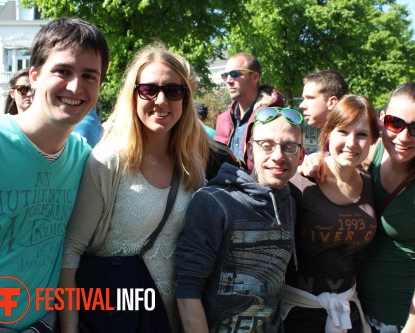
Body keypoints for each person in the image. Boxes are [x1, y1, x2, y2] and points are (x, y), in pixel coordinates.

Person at [59, 44, 219, 333]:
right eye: (148, 90)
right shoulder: (108, 161)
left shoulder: (192, 162)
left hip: (173, 319)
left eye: (173, 90)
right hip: (117, 318)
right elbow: (70, 251)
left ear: (185, 98)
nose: (161, 100)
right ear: (133, 96)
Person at [0, 17, 109, 331]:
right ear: (33, 76)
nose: (76, 86)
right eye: (62, 71)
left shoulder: (84, 159)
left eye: (90, 76)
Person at [300, 82, 415, 332]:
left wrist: (413, 330)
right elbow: (345, 155)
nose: (404, 137)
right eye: (396, 123)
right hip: (357, 309)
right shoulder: (377, 150)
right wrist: (319, 158)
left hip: (399, 317)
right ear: (382, 121)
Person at [176, 107, 306, 332]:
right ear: (250, 149)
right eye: (266, 145)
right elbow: (187, 289)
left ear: (301, 155)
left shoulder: (290, 203)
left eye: (289, 147)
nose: (278, 156)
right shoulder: (214, 202)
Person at [283, 95, 379, 333]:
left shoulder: (371, 184)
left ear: (373, 140)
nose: (352, 142)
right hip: (296, 315)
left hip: (347, 314)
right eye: (343, 132)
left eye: (362, 134)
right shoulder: (301, 180)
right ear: (328, 135)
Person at [214, 53, 284, 170]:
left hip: (259, 187)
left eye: (234, 74)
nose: (228, 81)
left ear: (255, 77)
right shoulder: (223, 120)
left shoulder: (272, 117)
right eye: (225, 76)